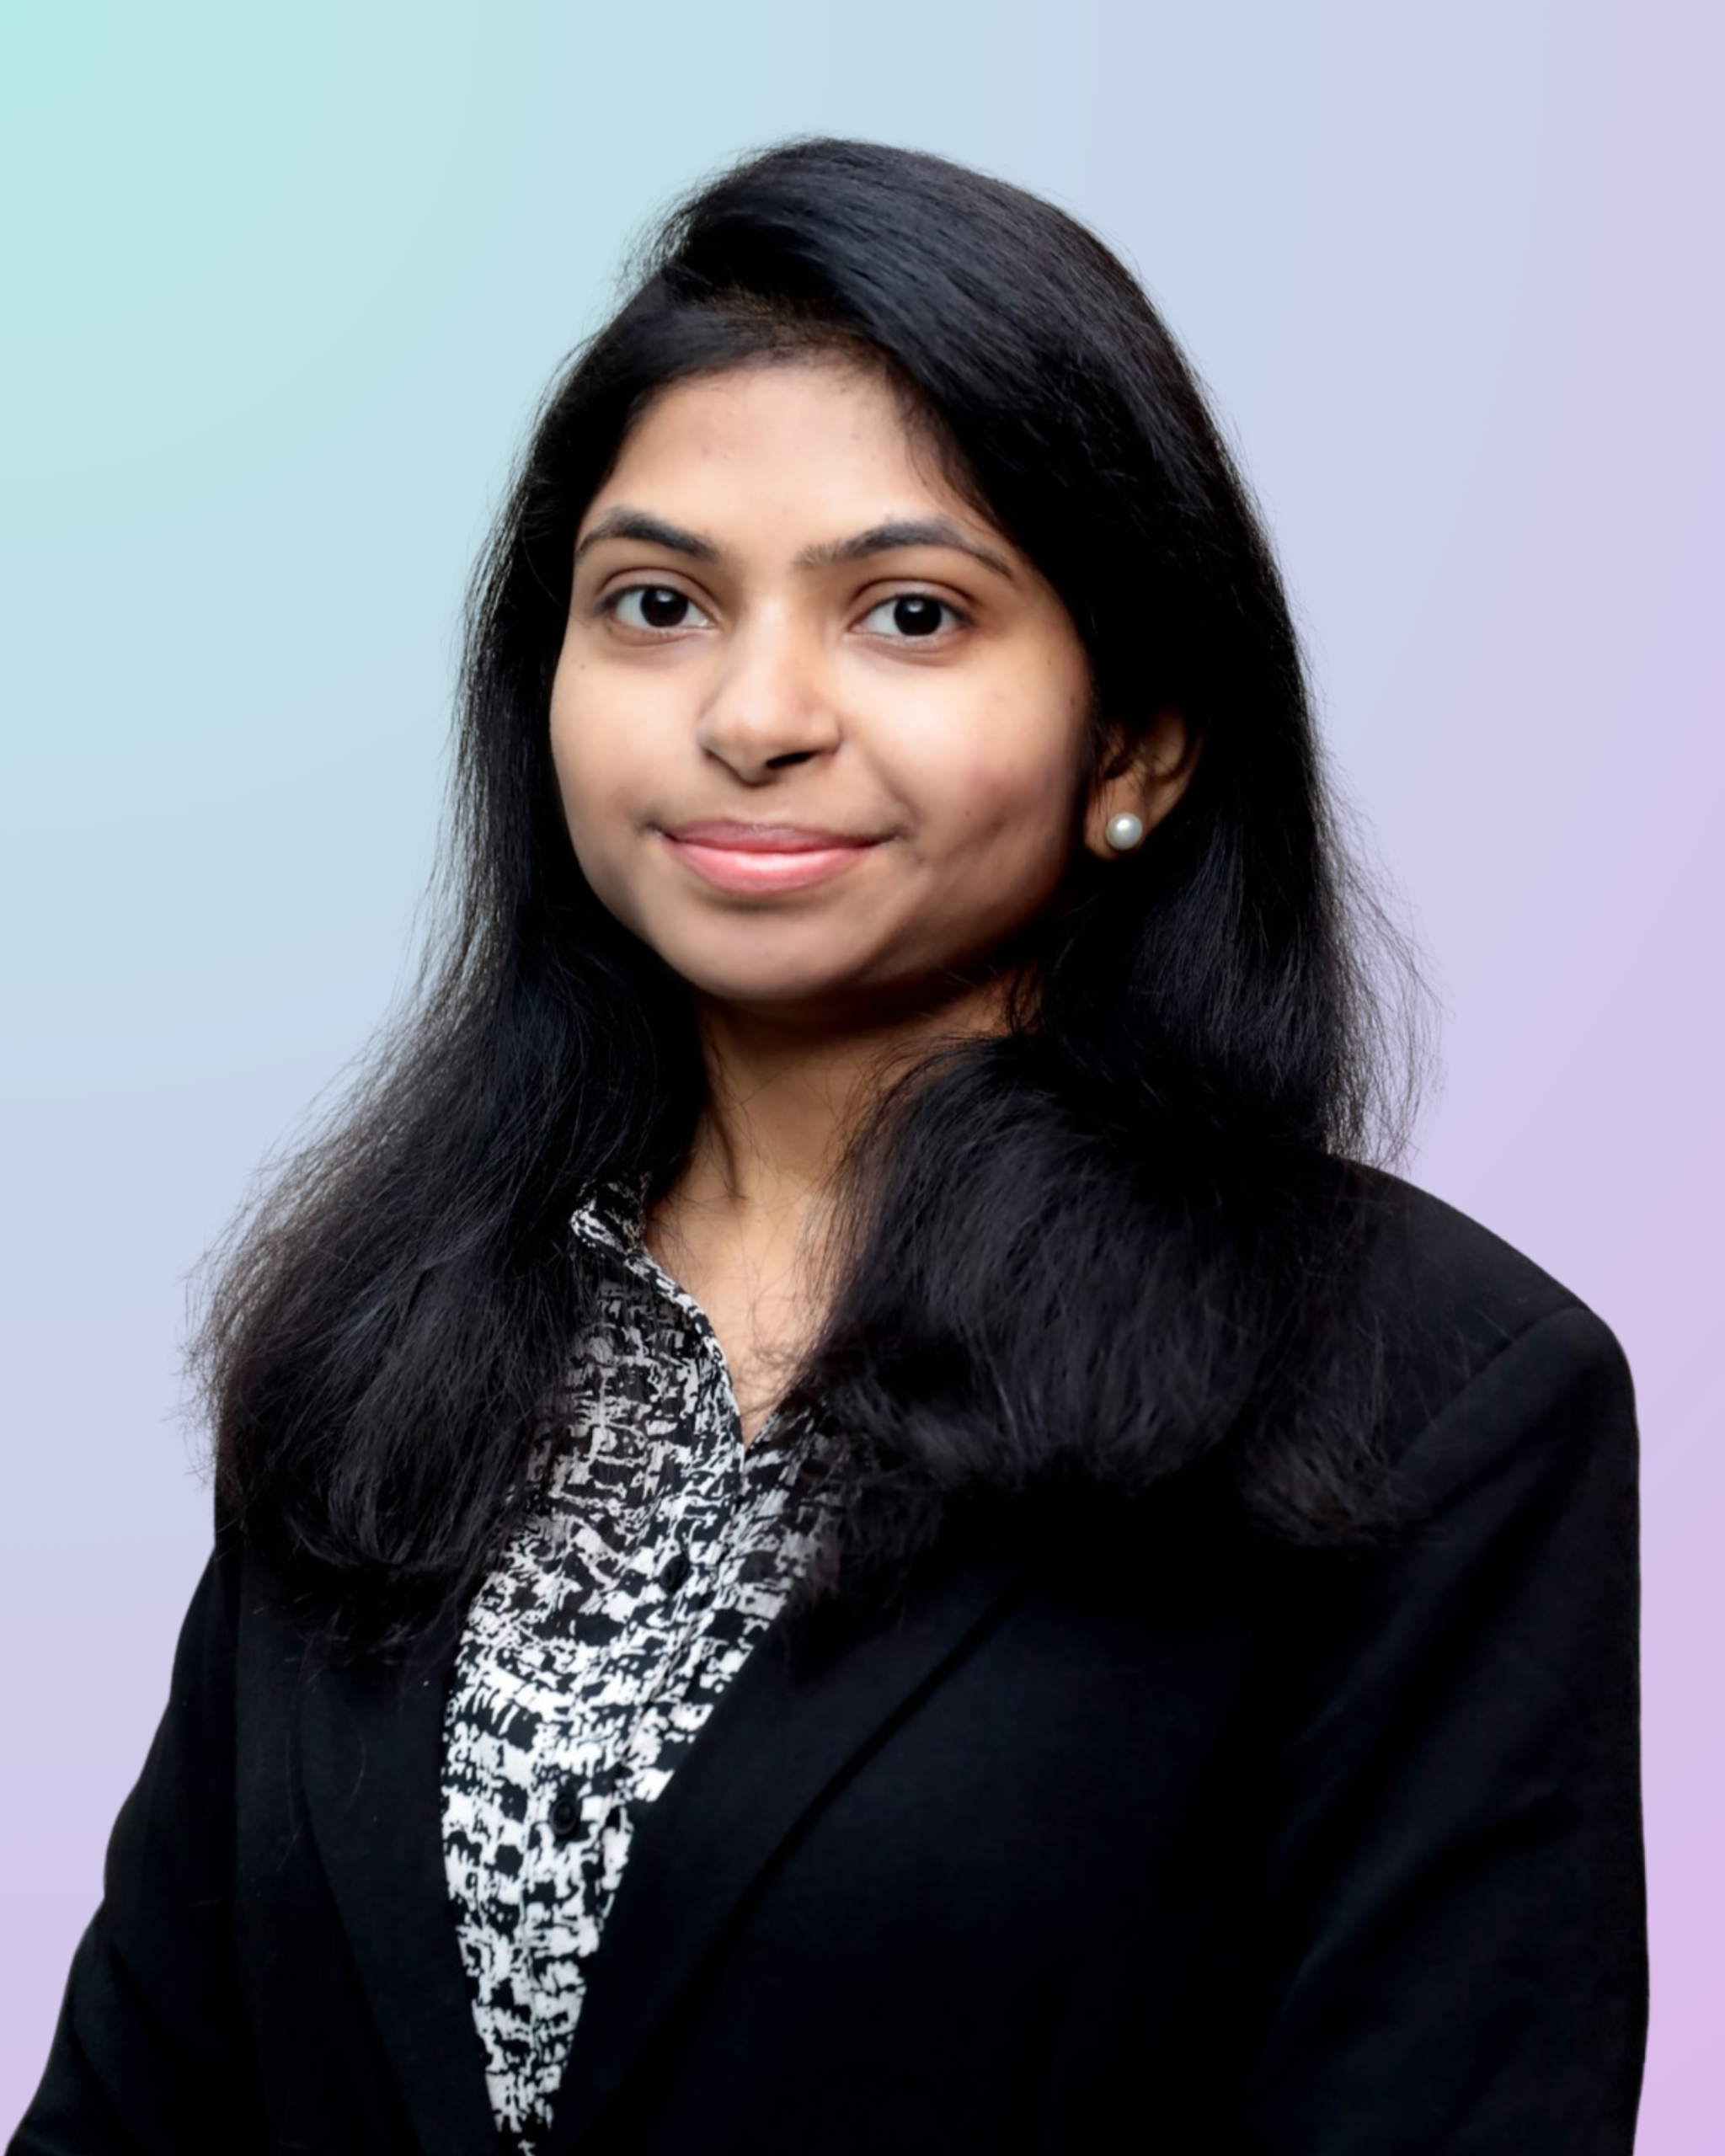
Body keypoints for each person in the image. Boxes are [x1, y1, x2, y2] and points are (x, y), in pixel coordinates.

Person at [11, 138, 1645, 2155]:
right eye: (657, 603)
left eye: (909, 613)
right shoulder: (398, 1341)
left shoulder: (1425, 1402)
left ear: (1136, 738)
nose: (755, 712)